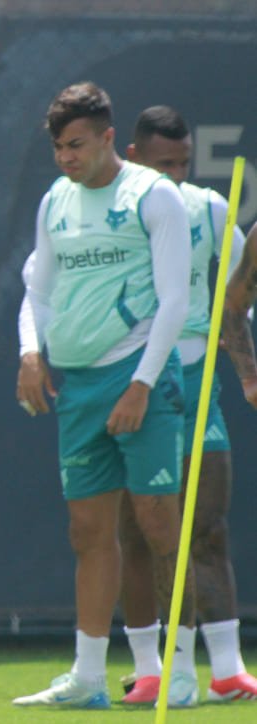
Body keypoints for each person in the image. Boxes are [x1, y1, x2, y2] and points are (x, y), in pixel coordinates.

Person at [14, 82, 197, 709]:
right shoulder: (55, 202)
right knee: (86, 530)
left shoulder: (155, 196)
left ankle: (178, 670)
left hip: (140, 373)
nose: (67, 157)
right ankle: (88, 677)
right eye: (59, 147)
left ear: (108, 137)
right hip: (80, 386)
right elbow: (38, 287)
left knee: (157, 524)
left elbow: (175, 299)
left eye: (78, 145)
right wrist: (30, 352)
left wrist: (143, 384)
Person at [116, 105, 257, 704]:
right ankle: (158, 669)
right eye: (162, 163)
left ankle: (227, 671)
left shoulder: (211, 209)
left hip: (199, 385)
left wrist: (248, 374)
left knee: (210, 527)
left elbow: (231, 302)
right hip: (138, 379)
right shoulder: (119, 211)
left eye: (182, 163)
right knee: (145, 530)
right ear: (134, 155)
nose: (174, 176)